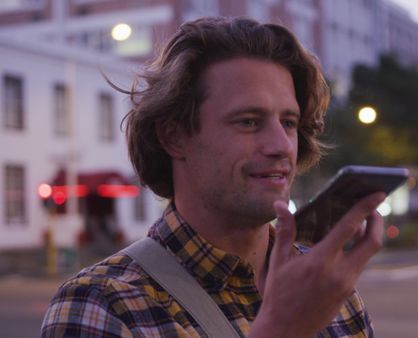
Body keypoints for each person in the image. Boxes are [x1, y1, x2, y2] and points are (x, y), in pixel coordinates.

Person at [41, 16, 385, 338]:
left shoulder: (324, 288)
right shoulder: (101, 304)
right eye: (249, 121)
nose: (281, 145)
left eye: (289, 123)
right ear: (173, 137)